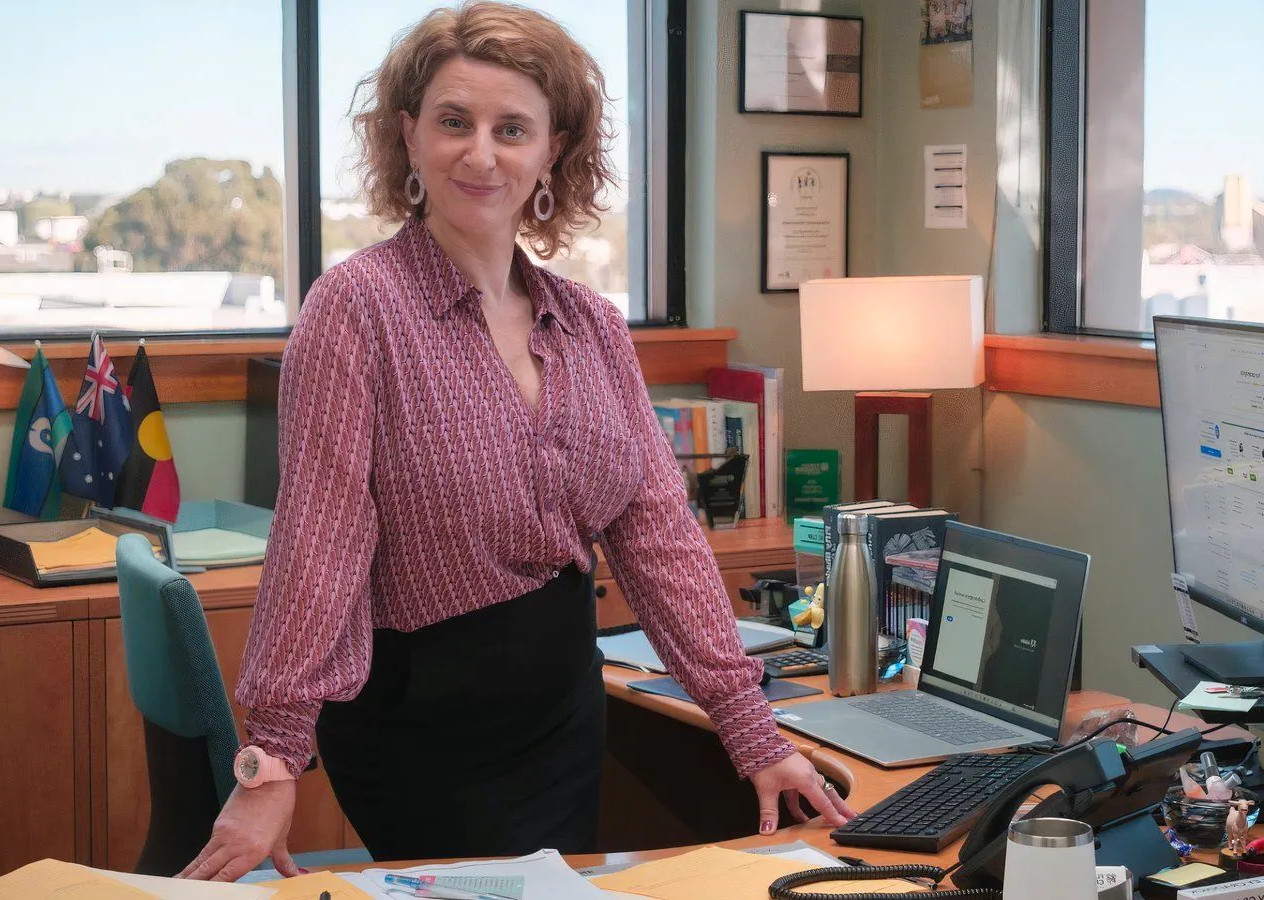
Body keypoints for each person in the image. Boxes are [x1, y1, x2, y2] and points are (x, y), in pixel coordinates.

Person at [180, 2, 852, 880]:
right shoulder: (355, 309)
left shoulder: (592, 326)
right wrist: (271, 760)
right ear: (409, 136)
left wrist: (750, 729)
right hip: (417, 725)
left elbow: (658, 537)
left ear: (552, 151)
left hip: (562, 714)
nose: (481, 153)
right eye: (454, 122)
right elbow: (321, 538)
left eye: (512, 129)